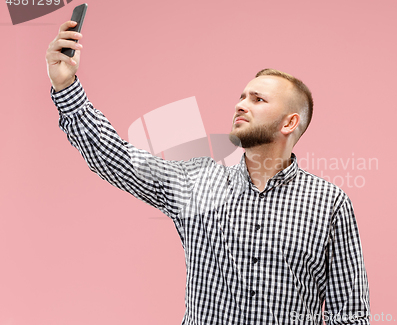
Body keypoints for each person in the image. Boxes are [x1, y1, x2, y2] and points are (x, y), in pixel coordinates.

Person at [46, 21, 370, 324]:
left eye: (258, 99)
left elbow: (351, 313)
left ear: (289, 122)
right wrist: (66, 87)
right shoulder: (196, 181)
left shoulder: (329, 203)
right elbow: (115, 158)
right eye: (242, 96)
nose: (241, 105)